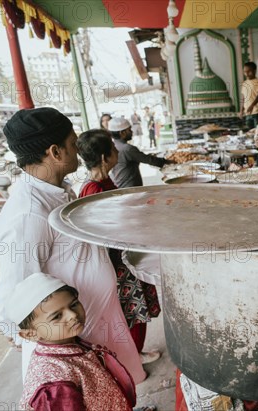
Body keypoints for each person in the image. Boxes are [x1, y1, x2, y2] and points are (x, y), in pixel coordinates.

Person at [0, 107, 145, 383]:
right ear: (55, 152)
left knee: (116, 393)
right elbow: (12, 298)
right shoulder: (28, 214)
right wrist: (55, 345)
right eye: (73, 144)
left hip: (98, 324)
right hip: (74, 343)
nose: (78, 150)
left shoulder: (58, 190)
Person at [77, 129, 161, 365]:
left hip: (123, 254)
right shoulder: (92, 190)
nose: (117, 152)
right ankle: (134, 357)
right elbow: (101, 231)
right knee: (133, 311)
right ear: (104, 157)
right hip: (116, 262)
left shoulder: (103, 181)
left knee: (136, 308)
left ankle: (135, 353)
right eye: (113, 150)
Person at [6, 273, 136, 411]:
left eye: (73, 304)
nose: (72, 315)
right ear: (30, 334)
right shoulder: (55, 386)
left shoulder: (66, 342)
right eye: (57, 316)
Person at [108, 117, 168, 187]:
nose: (132, 131)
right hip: (129, 188)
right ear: (122, 133)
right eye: (129, 130)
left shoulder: (113, 146)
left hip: (120, 185)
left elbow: (139, 157)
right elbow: (150, 160)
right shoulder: (127, 149)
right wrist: (168, 162)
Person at [239, 61, 258, 129]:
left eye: (249, 71)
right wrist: (241, 110)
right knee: (250, 132)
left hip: (257, 112)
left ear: (254, 70)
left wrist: (252, 105)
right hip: (248, 113)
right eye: (245, 72)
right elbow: (243, 97)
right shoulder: (244, 83)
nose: (247, 74)